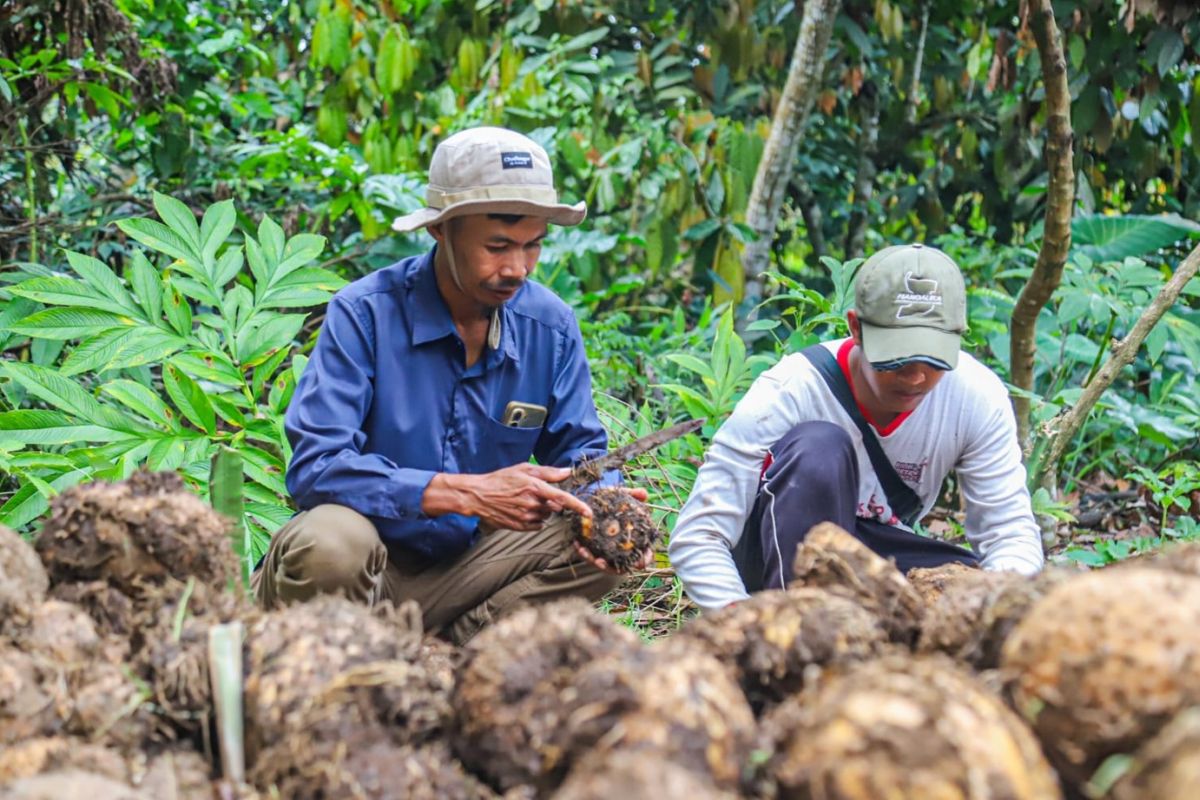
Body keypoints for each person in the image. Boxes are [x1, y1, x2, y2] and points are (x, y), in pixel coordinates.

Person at [253, 126, 650, 643]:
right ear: (441, 231)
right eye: (498, 246)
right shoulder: (365, 314)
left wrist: (609, 508)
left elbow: (582, 455)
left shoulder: (549, 328)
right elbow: (316, 468)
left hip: (465, 572)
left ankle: (455, 659)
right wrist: (462, 494)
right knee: (333, 542)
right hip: (356, 574)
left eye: (533, 246)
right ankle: (330, 670)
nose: (517, 268)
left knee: (594, 548)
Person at [668, 243, 1044, 610]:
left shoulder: (976, 396)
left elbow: (1008, 534)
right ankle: (799, 625)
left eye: (932, 360)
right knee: (819, 449)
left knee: (967, 585)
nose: (915, 377)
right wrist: (742, 622)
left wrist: (997, 613)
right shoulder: (791, 391)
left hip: (869, 553)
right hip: (777, 558)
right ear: (856, 328)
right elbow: (699, 535)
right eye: (898, 358)